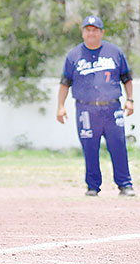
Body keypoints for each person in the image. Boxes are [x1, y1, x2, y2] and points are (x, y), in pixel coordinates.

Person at [56, 15, 135, 197]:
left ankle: (125, 185)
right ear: (83, 33)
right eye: (88, 30)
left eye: (95, 30)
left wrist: (130, 100)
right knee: (89, 147)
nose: (91, 33)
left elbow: (127, 78)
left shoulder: (114, 52)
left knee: (118, 145)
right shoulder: (73, 56)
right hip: (86, 109)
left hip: (111, 108)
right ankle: (92, 186)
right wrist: (60, 106)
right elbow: (64, 83)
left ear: (102, 32)